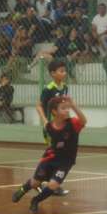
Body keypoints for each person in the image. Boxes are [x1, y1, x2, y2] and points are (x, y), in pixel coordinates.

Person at [12, 97, 86, 214]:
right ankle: (23, 189)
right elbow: (44, 120)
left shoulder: (73, 123)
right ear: (54, 112)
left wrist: (74, 106)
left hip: (65, 162)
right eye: (63, 108)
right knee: (35, 182)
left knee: (53, 185)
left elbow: (83, 121)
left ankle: (35, 201)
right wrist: (39, 109)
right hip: (49, 158)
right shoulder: (49, 127)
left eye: (67, 108)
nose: (67, 110)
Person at [37, 60, 70, 197]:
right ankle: (48, 183)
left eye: (64, 70)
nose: (64, 73)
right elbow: (39, 106)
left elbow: (64, 107)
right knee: (55, 155)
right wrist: (45, 121)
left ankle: (45, 181)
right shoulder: (48, 89)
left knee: (56, 155)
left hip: (61, 127)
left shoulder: (64, 87)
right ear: (52, 73)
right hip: (51, 128)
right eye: (61, 71)